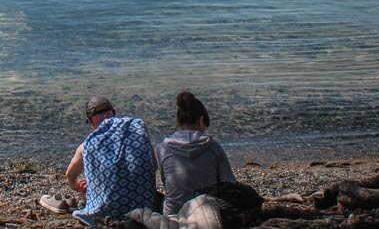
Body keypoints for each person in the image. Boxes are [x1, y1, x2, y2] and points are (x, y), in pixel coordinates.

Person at [43, 96, 157, 226]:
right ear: (113, 113)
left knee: (91, 192)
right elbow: (153, 165)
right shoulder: (138, 127)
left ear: (90, 121)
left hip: (108, 213)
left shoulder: (86, 146)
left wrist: (76, 186)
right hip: (144, 207)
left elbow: (70, 175)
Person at [156, 91, 235, 215]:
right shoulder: (213, 146)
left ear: (178, 121)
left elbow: (166, 181)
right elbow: (229, 183)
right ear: (202, 120)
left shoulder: (162, 148)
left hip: (173, 215)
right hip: (208, 212)